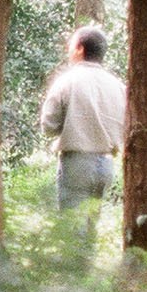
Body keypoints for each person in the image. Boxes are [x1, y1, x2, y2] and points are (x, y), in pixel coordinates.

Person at [38, 25, 126, 211]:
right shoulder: (118, 86)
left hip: (77, 164)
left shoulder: (67, 81)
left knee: (73, 231)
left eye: (70, 45)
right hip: (107, 165)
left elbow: (48, 126)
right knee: (90, 230)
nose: (68, 50)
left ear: (79, 48)